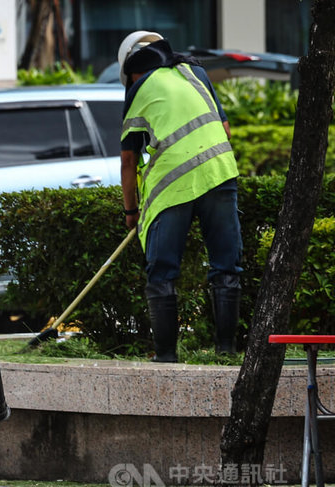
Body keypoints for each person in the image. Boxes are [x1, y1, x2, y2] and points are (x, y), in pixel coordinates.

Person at [118, 31, 243, 362]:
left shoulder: (137, 92)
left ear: (131, 70)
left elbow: (129, 161)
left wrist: (131, 211)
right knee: (226, 266)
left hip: (173, 188)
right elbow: (225, 130)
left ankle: (166, 356)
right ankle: (226, 350)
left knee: (161, 272)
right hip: (219, 173)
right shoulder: (195, 72)